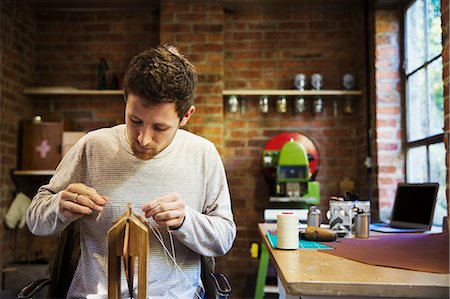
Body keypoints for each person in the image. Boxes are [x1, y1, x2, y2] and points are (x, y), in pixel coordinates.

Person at [26, 44, 236, 299]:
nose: (143, 138)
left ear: (186, 116)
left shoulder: (203, 154)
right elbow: (35, 220)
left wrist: (186, 221)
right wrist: (59, 206)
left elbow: (224, 239)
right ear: (125, 99)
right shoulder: (92, 146)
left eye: (160, 127)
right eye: (134, 120)